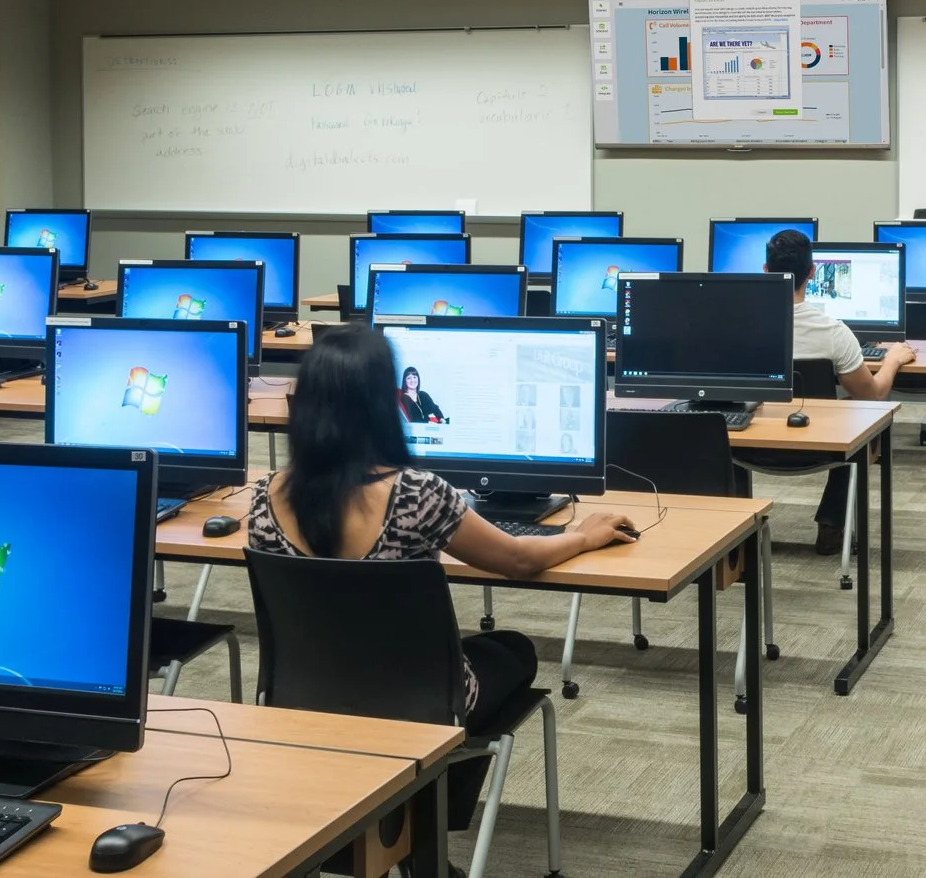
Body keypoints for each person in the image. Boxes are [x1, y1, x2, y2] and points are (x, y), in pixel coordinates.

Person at [242, 326, 636, 811]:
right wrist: (583, 535)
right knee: (513, 650)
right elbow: (516, 559)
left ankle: (401, 821)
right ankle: (424, 818)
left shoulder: (264, 499)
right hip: (420, 703)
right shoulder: (417, 494)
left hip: (304, 696)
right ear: (387, 403)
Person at [741, 229, 917, 554]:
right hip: (819, 448)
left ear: (765, 272)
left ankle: (734, 534)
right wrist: (891, 360)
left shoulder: (740, 327)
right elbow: (873, 397)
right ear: (811, 272)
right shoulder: (834, 332)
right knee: (865, 417)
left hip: (747, 448)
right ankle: (833, 523)